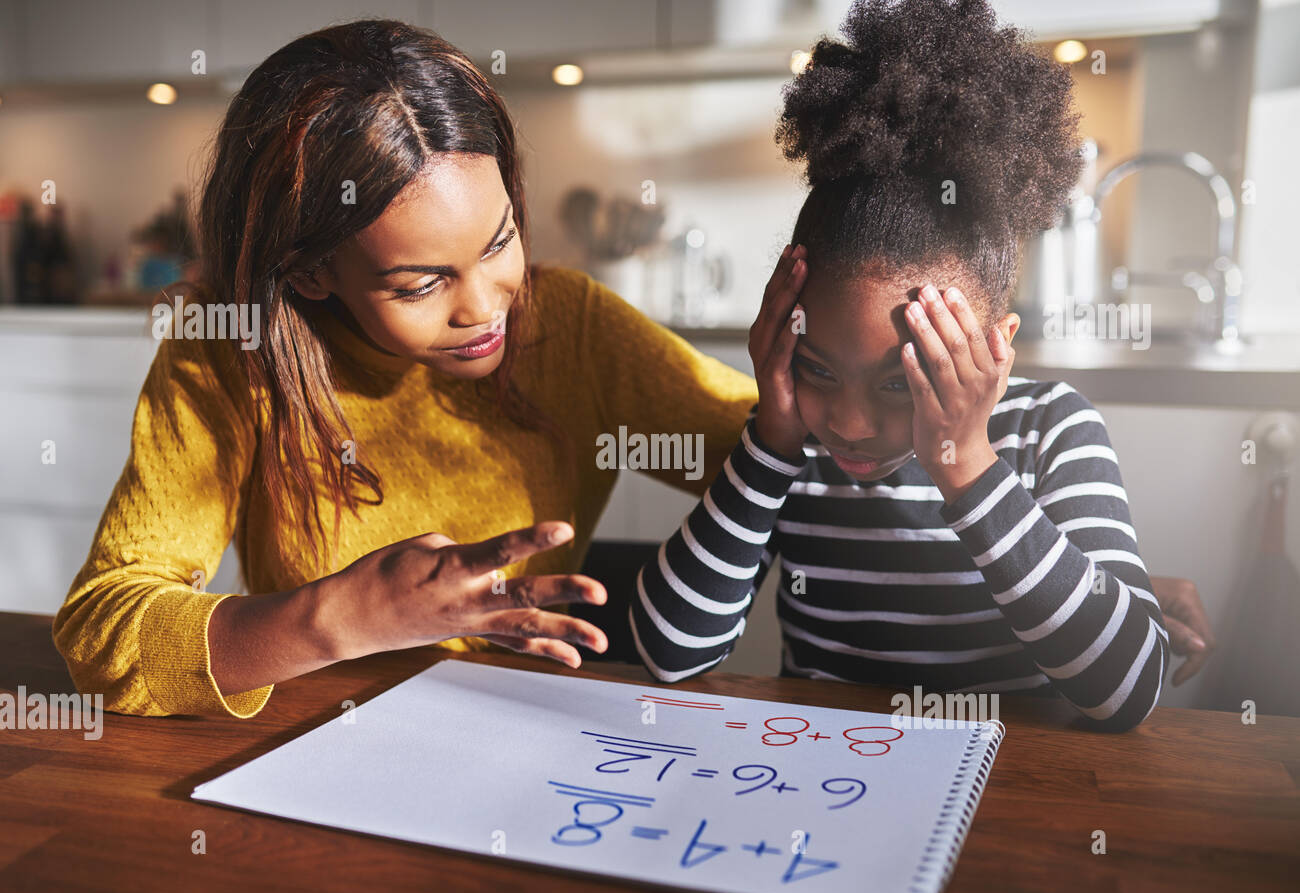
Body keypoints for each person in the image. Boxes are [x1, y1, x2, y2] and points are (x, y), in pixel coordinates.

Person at [51, 20, 757, 718]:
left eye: (500, 241)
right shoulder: (229, 352)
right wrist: (343, 620)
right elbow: (103, 633)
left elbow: (791, 455)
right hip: (321, 743)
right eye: (421, 284)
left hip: (531, 731)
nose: (484, 309)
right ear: (311, 272)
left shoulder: (569, 324)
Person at [628, 0, 1174, 731]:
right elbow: (667, 655)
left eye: (900, 383)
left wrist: (968, 465)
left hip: (1012, 799)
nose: (849, 424)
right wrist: (772, 444)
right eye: (820, 370)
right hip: (820, 786)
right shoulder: (790, 446)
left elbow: (1128, 692)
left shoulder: (1050, 432)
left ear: (996, 349)